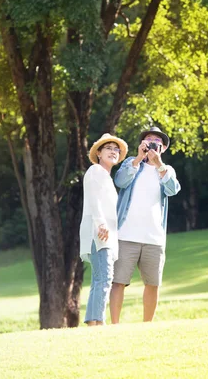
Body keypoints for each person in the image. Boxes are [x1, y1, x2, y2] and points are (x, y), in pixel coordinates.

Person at [110, 126, 181, 323]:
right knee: (118, 281)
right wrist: (138, 159)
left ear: (163, 148)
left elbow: (173, 189)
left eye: (157, 141)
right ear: (142, 143)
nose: (152, 142)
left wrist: (159, 166)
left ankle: (146, 326)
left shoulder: (167, 170)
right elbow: (120, 181)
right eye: (148, 138)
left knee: (153, 284)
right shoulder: (130, 163)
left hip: (154, 238)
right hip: (126, 235)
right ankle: (114, 325)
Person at [80, 133, 128, 326]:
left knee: (100, 279)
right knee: (105, 278)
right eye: (108, 148)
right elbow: (93, 200)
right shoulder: (95, 171)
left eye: (116, 149)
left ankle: (95, 322)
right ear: (99, 153)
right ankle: (97, 323)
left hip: (105, 233)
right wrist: (100, 224)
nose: (113, 152)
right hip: (99, 233)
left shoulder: (106, 177)